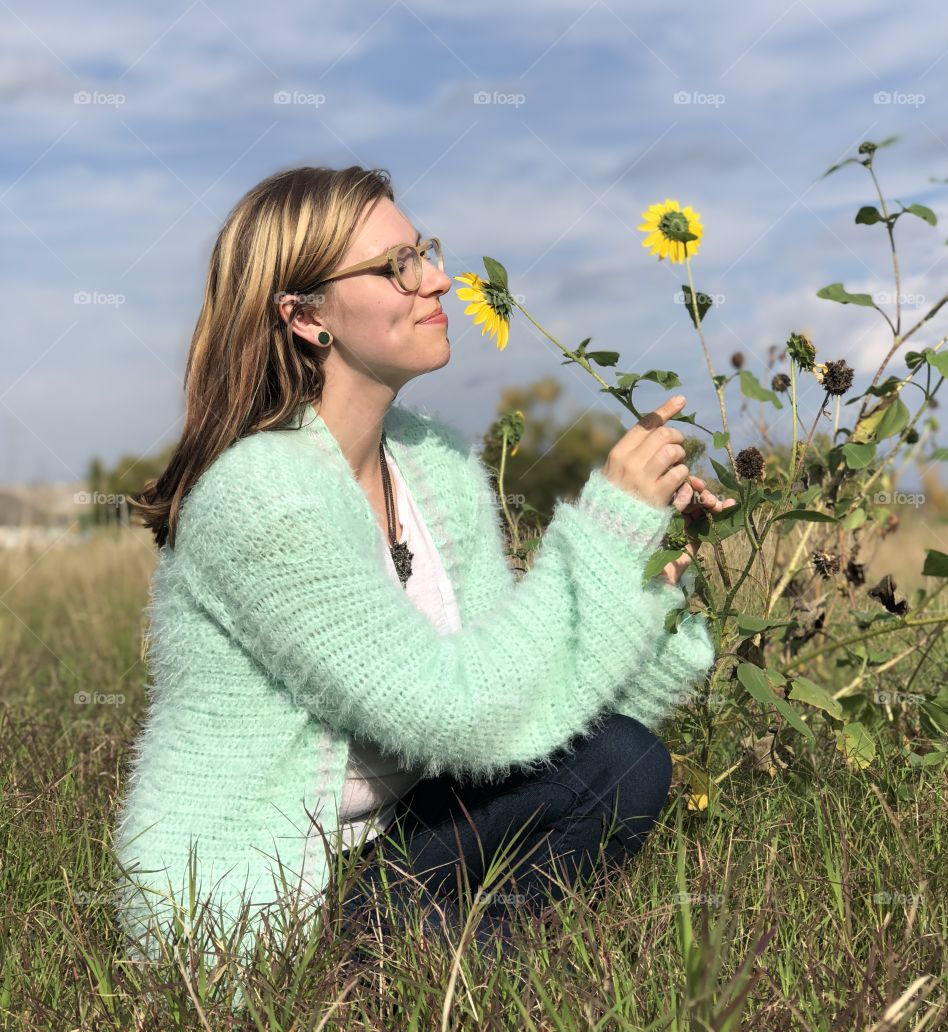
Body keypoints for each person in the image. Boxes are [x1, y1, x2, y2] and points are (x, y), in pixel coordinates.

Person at [113, 163, 726, 967]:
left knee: (622, 760)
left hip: (398, 844)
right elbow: (459, 713)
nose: (436, 279)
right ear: (306, 318)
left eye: (425, 251)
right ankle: (402, 973)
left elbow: (529, 710)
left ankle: (434, 966)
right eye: (395, 267)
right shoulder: (260, 496)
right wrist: (604, 528)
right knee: (604, 769)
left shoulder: (430, 461)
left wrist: (650, 572)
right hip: (265, 891)